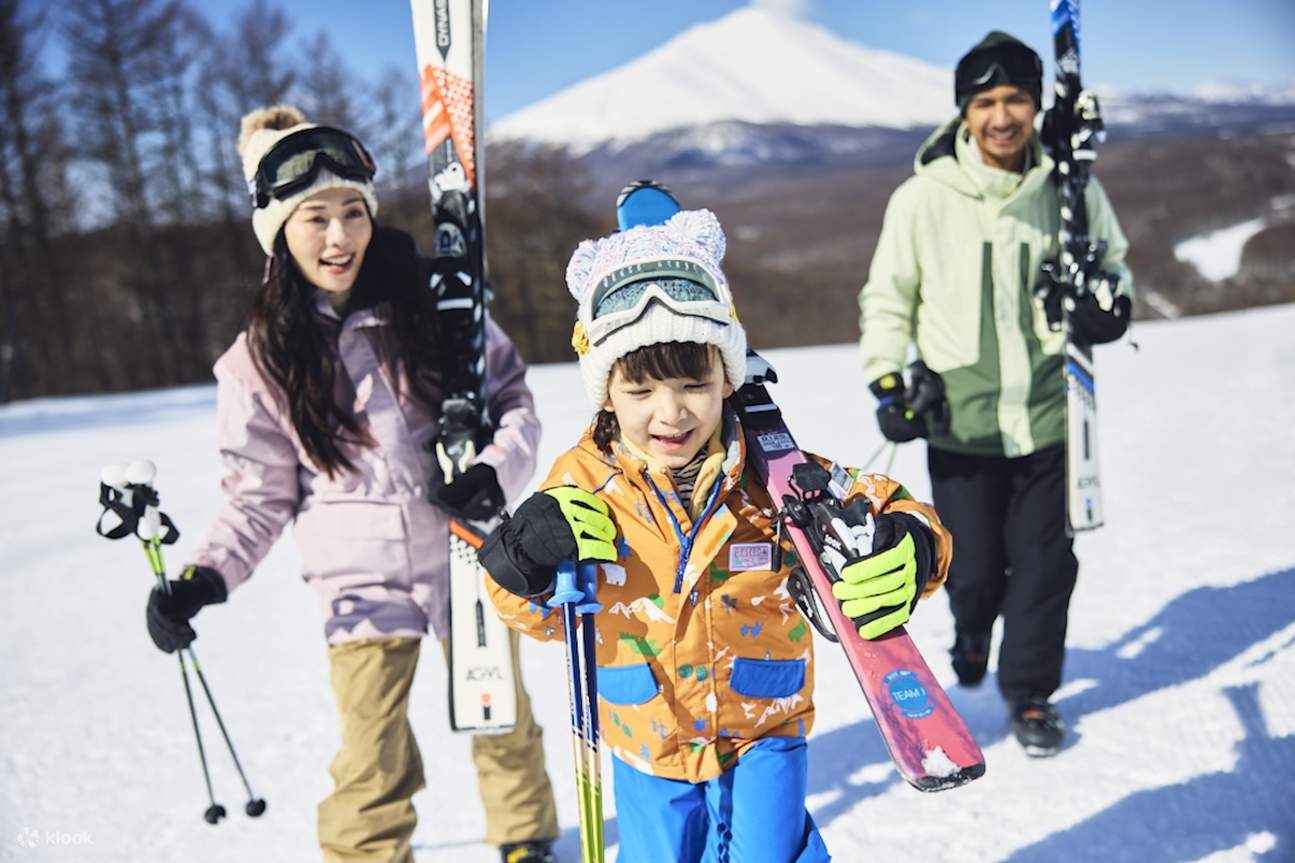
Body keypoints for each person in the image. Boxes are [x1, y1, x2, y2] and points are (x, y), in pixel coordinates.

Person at [142, 105, 559, 863]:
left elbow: (514, 401)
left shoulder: (437, 302)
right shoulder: (259, 358)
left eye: (352, 213)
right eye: (315, 218)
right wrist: (203, 577)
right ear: (277, 230)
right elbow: (257, 493)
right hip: (357, 576)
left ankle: (524, 835)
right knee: (371, 747)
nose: (339, 238)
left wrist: (493, 477)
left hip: (466, 552)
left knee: (499, 712)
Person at [478, 207, 953, 861]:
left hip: (763, 722)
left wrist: (912, 541)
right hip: (643, 727)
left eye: (693, 384)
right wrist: (521, 555)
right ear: (606, 392)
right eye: (640, 390)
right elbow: (528, 611)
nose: (669, 413)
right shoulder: (581, 483)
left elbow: (884, 502)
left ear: (726, 378)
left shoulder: (777, 474)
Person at [857, 32, 1134, 757]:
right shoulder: (923, 198)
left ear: (1037, 106)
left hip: (1050, 416)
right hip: (961, 422)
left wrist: (1110, 303)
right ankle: (972, 625)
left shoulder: (1069, 189)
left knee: (1046, 566)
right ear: (963, 113)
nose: (1002, 116)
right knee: (972, 567)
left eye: (1015, 99)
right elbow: (887, 297)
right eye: (985, 102)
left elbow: (1110, 263)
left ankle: (1030, 692)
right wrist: (887, 377)